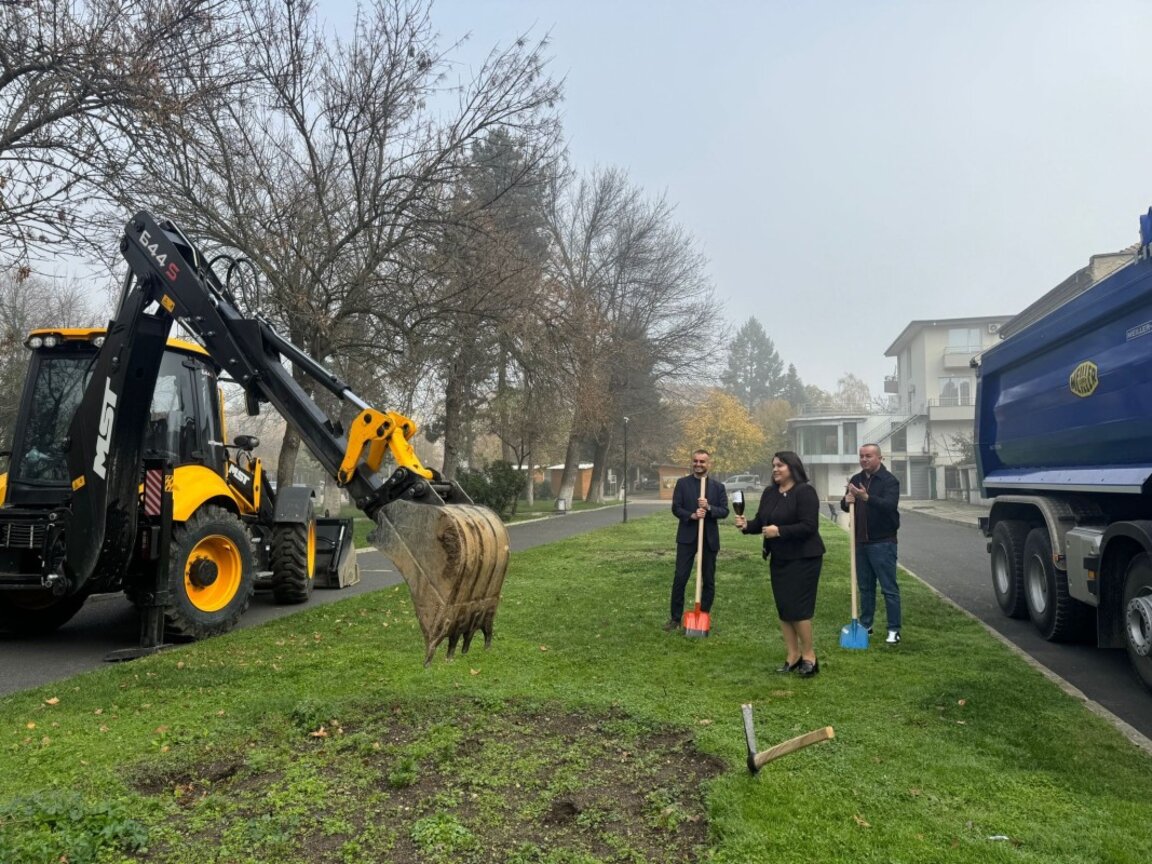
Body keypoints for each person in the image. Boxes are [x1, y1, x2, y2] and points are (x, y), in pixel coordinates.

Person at [735, 451, 826, 677]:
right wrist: (747, 525)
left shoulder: (805, 492)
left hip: (805, 558)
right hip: (780, 558)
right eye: (773, 465)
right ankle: (792, 655)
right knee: (785, 609)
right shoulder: (770, 493)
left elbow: (809, 526)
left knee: (799, 609)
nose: (775, 469)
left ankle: (810, 657)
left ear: (792, 468)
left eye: (780, 466)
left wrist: (780, 531)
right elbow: (762, 522)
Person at [841, 443, 902, 644]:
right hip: (860, 542)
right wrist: (847, 499)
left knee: (888, 588)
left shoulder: (889, 481)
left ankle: (894, 629)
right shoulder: (856, 479)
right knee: (865, 587)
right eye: (861, 456)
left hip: (882, 542)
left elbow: (889, 506)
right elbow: (845, 505)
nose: (864, 459)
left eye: (868, 456)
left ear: (879, 458)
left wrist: (866, 497)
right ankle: (866, 625)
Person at [667, 449, 729, 631]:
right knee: (680, 577)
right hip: (687, 538)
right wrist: (692, 515)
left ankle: (703, 615)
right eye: (695, 461)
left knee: (708, 579)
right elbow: (676, 508)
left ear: (709, 464)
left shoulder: (718, 487)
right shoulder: (683, 484)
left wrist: (708, 507)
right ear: (692, 462)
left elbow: (724, 511)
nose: (698, 464)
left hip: (709, 539)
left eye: (702, 461)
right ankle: (675, 618)